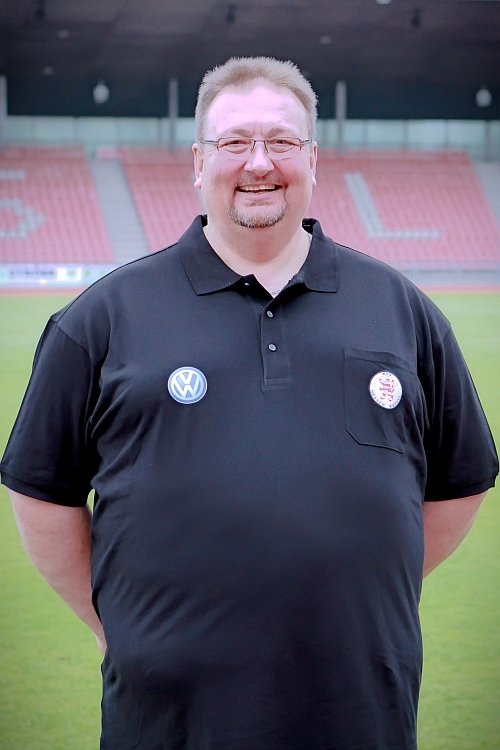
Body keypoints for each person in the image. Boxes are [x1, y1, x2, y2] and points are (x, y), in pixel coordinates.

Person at [1, 57, 498, 750]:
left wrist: (365, 584)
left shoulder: (403, 312)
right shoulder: (102, 318)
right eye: (234, 142)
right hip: (170, 722)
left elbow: (461, 479)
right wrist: (115, 623)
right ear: (198, 161)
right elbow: (41, 491)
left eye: (282, 141)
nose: (259, 162)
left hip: (360, 713)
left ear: (312, 159)